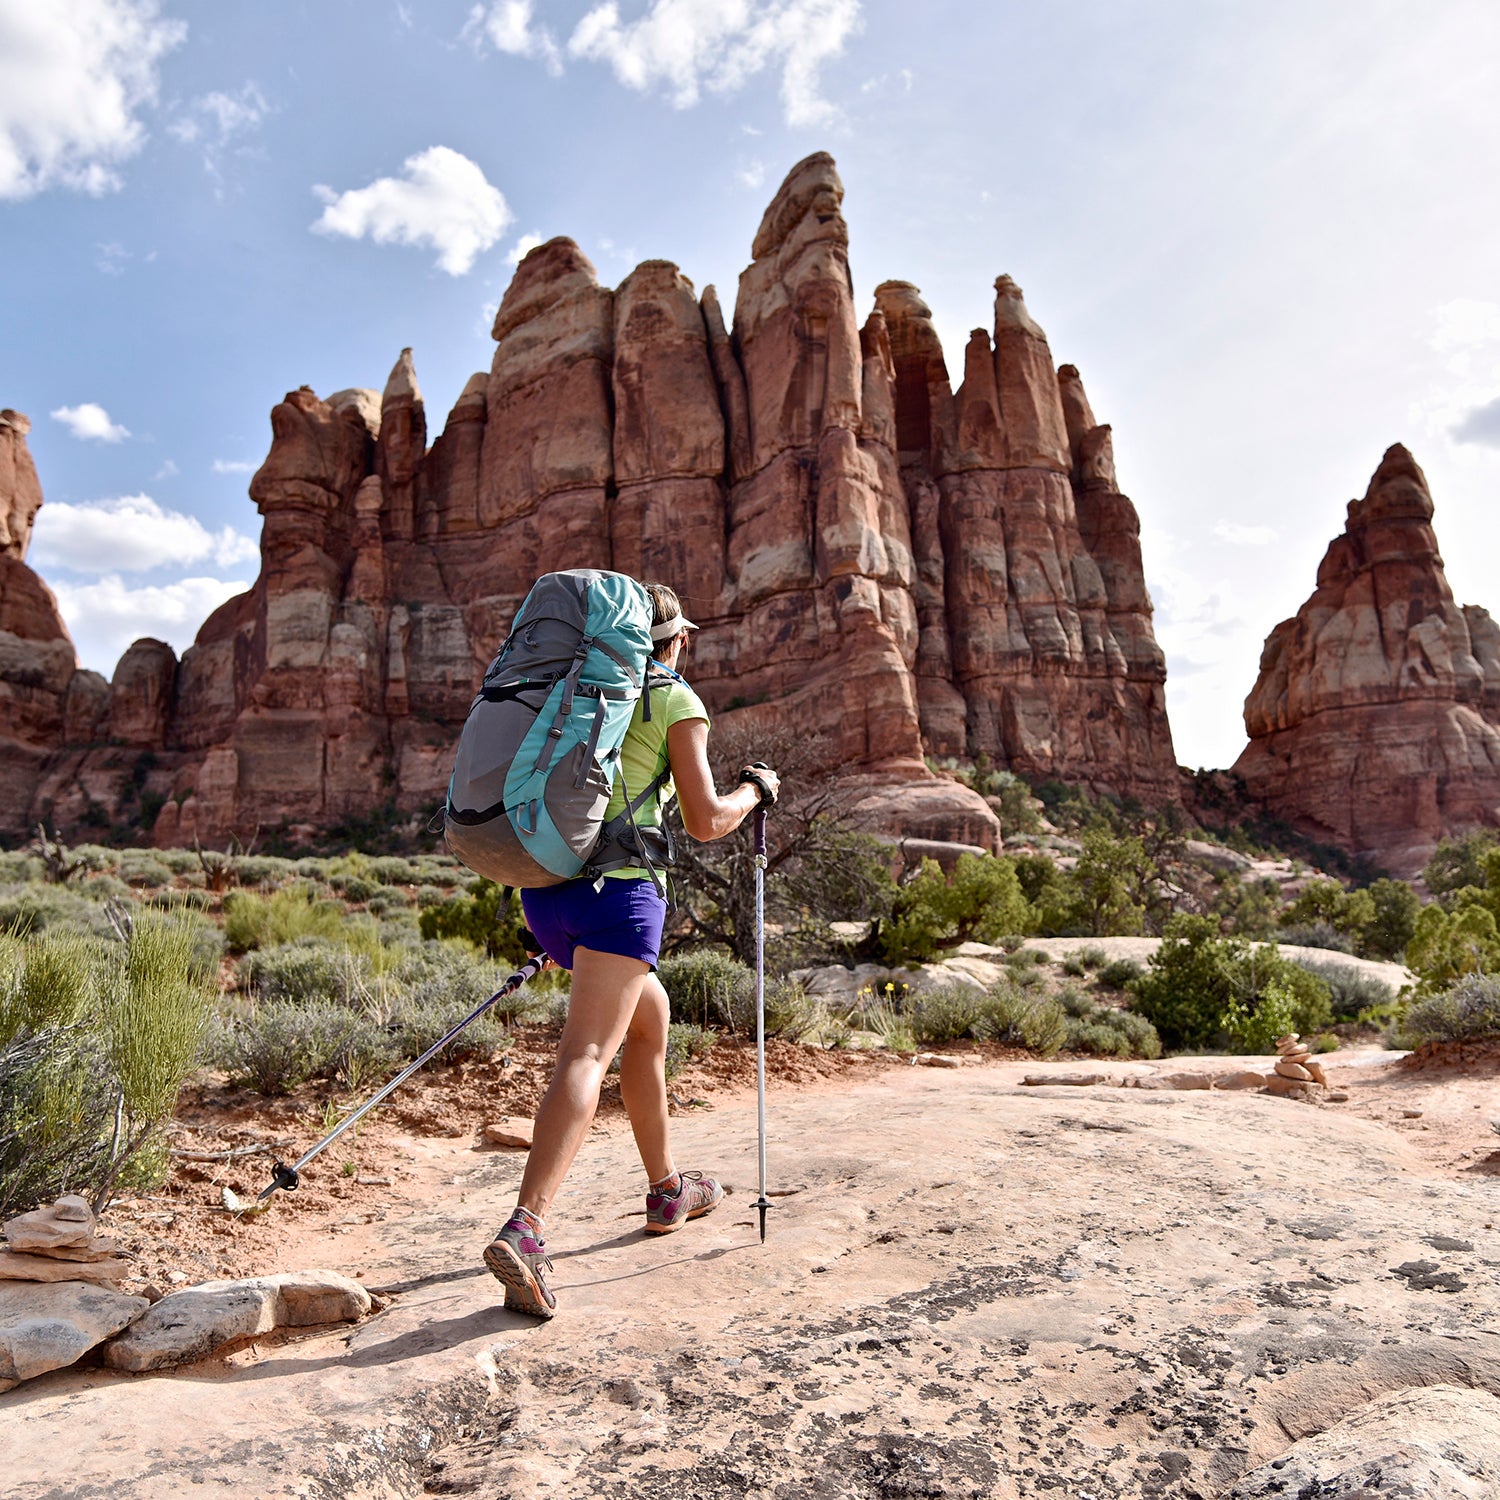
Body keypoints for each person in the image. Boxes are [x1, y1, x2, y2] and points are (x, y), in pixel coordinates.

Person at [482, 582, 780, 1318]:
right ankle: (527, 1228)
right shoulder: (675, 698)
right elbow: (707, 820)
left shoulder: (572, 688)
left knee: (649, 1022)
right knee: (586, 1054)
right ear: (675, 641)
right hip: (619, 900)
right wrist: (755, 793)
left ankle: (668, 1189)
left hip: (547, 895)